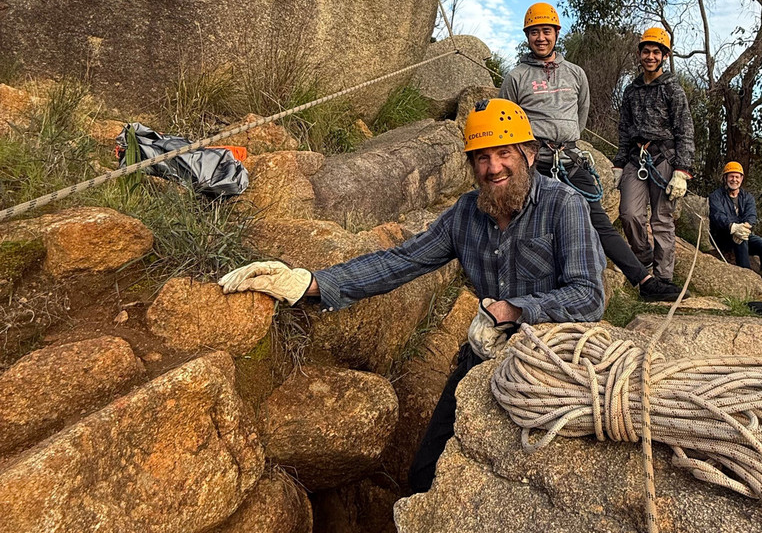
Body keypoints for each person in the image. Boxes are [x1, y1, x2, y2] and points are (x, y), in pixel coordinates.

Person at [218, 98, 605, 492]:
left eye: (504, 153)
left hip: (551, 361)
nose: (493, 168)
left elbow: (588, 295)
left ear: (529, 153)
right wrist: (308, 283)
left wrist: (516, 311)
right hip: (483, 358)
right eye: (482, 158)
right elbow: (400, 261)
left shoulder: (563, 206)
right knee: (423, 476)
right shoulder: (465, 214)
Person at [500, 3, 680, 302]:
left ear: (557, 33)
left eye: (547, 31)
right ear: (527, 36)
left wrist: (565, 141)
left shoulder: (576, 74)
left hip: (569, 160)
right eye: (534, 32)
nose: (541, 38)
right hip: (533, 163)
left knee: (600, 222)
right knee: (523, 221)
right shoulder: (516, 77)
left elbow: (579, 118)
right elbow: (507, 122)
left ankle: (645, 281)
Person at [612, 27, 695, 287]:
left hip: (665, 158)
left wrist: (682, 170)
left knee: (662, 219)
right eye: (646, 51)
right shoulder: (631, 91)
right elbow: (624, 129)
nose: (650, 56)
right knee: (629, 214)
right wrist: (618, 162)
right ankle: (644, 259)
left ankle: (664, 278)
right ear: (639, 54)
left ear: (664, 56)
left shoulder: (673, 89)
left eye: (656, 52)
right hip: (636, 158)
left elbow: (685, 128)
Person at [707, 161, 762, 298]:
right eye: (731, 176)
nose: (734, 180)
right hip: (722, 236)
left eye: (737, 177)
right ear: (725, 178)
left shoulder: (747, 197)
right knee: (741, 240)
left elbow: (751, 215)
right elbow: (717, 216)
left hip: (743, 232)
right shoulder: (716, 196)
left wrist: (744, 227)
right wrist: (733, 227)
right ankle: (747, 283)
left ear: (741, 179)